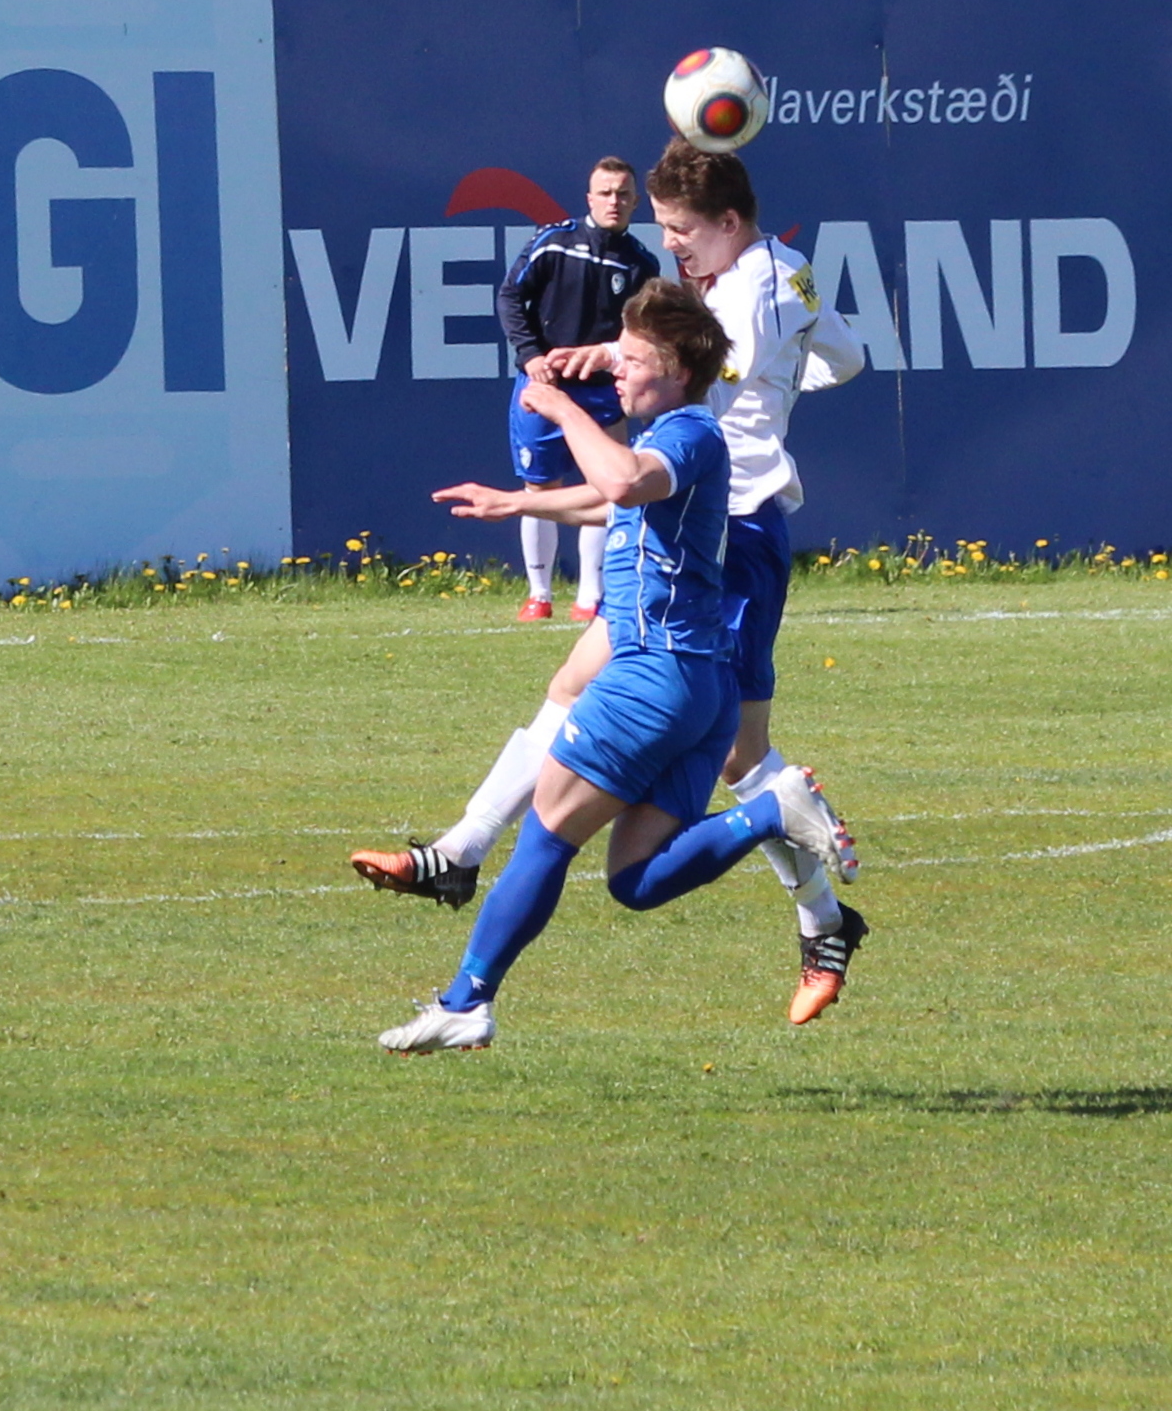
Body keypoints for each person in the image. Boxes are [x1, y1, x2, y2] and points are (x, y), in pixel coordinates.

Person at [354, 136, 872, 1024]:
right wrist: (764, 385)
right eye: (664, 227)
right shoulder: (788, 271)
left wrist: (636, 368)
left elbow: (702, 385)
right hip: (702, 521)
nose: (671, 243)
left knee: (745, 759)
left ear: (730, 221)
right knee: (572, 683)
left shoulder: (746, 296)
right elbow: (847, 357)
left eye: (683, 229)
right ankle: (462, 849)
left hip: (731, 533)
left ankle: (824, 920)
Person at [495, 155, 653, 624]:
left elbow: (644, 333)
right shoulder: (555, 243)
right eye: (605, 193)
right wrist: (531, 356)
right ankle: (539, 594)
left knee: (607, 488)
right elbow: (510, 296)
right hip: (545, 386)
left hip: (604, 393)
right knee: (539, 487)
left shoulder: (641, 263)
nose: (614, 201)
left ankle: (590, 597)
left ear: (636, 202)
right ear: (589, 198)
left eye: (623, 194)